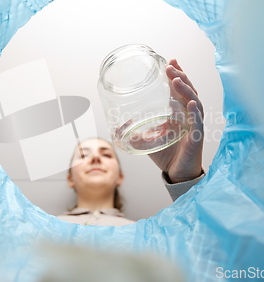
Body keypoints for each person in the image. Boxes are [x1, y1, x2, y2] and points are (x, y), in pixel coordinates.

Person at [57, 59, 206, 226]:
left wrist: (185, 180)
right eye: (84, 155)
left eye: (106, 154)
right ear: (70, 178)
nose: (95, 159)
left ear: (119, 177)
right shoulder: (38, 228)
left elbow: (211, 246)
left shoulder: (147, 234)